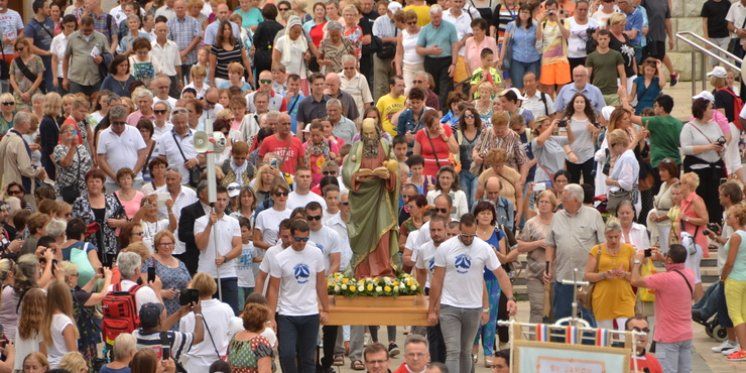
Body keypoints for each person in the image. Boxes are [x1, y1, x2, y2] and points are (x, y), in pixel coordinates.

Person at [427, 213, 517, 373]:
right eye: (464, 235)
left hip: (473, 307)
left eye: (471, 236)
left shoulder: (484, 248)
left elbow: (501, 274)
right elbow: (437, 280)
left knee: (466, 351)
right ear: (459, 229)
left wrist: (510, 297)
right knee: (453, 351)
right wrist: (432, 309)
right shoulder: (445, 248)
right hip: (449, 306)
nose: (468, 239)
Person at [267, 218, 331, 373]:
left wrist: (326, 308)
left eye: (305, 239)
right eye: (298, 239)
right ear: (290, 236)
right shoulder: (280, 258)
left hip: (310, 312)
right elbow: (273, 289)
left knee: (308, 357)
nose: (301, 243)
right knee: (287, 354)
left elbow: (321, 283)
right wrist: (271, 317)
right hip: (287, 313)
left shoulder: (316, 253)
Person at [342, 118, 399, 277]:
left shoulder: (386, 146)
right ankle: (363, 271)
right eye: (365, 134)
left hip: (381, 194)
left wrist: (388, 174)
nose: (368, 137)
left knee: (383, 230)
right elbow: (347, 172)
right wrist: (357, 176)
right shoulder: (356, 147)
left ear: (377, 131)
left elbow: (395, 169)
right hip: (361, 197)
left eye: (371, 133)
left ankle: (383, 271)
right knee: (363, 234)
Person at [545, 184, 605, 322]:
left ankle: (588, 344)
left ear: (576, 200)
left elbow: (602, 245)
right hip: (563, 277)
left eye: (564, 199)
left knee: (588, 318)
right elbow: (550, 244)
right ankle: (561, 344)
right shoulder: (557, 216)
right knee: (561, 319)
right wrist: (548, 267)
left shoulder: (593, 215)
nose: (561, 201)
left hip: (586, 279)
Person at [631, 244, 694, 373]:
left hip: (668, 337)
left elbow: (635, 280)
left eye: (667, 255)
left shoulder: (664, 279)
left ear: (670, 259)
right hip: (686, 334)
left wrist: (637, 260)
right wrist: (663, 259)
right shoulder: (689, 274)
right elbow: (675, 269)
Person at [194, 185, 242, 315]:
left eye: (224, 200)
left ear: (227, 201)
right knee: (206, 314)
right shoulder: (200, 222)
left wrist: (225, 258)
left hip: (228, 274)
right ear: (213, 201)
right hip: (207, 275)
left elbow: (238, 247)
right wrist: (209, 224)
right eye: (218, 199)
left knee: (232, 314)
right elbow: (201, 245)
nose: (221, 203)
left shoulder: (233, 222)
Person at [583, 218, 636, 330]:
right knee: (605, 338)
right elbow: (587, 275)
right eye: (610, 237)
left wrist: (625, 274)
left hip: (624, 297)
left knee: (627, 335)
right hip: (602, 298)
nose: (613, 240)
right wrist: (603, 275)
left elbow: (636, 277)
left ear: (620, 234)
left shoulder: (629, 250)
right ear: (605, 235)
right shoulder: (596, 250)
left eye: (616, 237)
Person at [179, 272, 237, 372]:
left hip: (193, 365)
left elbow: (183, 343)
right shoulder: (226, 309)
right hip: (219, 364)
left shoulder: (187, 314)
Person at [680, 98, 725, 223]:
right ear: (703, 110)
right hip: (698, 172)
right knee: (700, 201)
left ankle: (715, 227)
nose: (713, 110)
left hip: (715, 170)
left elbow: (723, 144)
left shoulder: (715, 125)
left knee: (715, 203)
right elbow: (685, 149)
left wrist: (720, 148)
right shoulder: (689, 127)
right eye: (711, 108)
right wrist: (708, 147)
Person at [515, 190, 556, 323]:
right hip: (534, 273)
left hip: (555, 273)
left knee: (555, 310)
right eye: (541, 202)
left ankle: (552, 341)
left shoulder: (560, 221)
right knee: (537, 308)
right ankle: (535, 341)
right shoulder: (531, 223)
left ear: (553, 204)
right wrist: (538, 243)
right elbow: (520, 246)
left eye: (546, 202)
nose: (543, 205)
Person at [416, 5, 458, 107]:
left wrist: (453, 64)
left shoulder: (450, 27)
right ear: (430, 17)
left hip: (446, 61)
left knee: (445, 90)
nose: (436, 19)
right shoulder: (425, 29)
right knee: (431, 88)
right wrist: (430, 50)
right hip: (430, 61)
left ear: (441, 15)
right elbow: (418, 49)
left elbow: (455, 46)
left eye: (438, 17)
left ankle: (442, 112)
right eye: (434, 17)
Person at [0, 112, 47, 200]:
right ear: (24, 123)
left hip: (6, 185)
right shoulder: (19, 141)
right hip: (19, 188)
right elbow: (25, 169)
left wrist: (27, 149)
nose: (30, 126)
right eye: (29, 123)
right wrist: (39, 170)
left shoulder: (6, 137)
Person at [61, 15, 110, 96]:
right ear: (79, 26)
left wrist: (102, 58)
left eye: (90, 30)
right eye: (84, 30)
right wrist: (65, 78)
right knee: (77, 105)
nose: (87, 32)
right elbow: (66, 58)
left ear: (94, 26)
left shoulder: (101, 37)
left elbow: (109, 56)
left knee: (96, 104)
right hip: (77, 80)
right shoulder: (72, 38)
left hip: (96, 79)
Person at [41, 280, 78, 369]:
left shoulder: (46, 320)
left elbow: (42, 350)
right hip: (64, 367)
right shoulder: (65, 321)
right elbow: (73, 353)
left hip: (50, 366)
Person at [501, 4, 540, 89]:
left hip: (533, 59)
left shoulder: (535, 25)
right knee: (518, 85)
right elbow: (505, 43)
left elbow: (540, 40)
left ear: (530, 14)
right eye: (522, 12)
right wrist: (501, 59)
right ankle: (519, 102)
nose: (524, 14)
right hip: (517, 59)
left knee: (531, 86)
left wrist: (539, 24)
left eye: (526, 12)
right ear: (518, 13)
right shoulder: (511, 25)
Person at [228, 302, 273, 372]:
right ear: (261, 323)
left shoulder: (235, 337)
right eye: (265, 321)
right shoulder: (260, 342)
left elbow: (229, 364)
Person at [605, 129, 640, 214]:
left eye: (612, 145)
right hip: (622, 198)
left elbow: (627, 184)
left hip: (622, 199)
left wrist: (611, 181)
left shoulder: (627, 158)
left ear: (620, 143)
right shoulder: (624, 156)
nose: (611, 148)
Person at [9, 39, 44, 112]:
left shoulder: (37, 59)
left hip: (35, 94)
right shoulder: (14, 61)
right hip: (19, 96)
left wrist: (29, 92)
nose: (18, 51)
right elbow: (12, 79)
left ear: (27, 46)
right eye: (16, 49)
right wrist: (20, 93)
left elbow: (40, 77)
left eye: (21, 48)